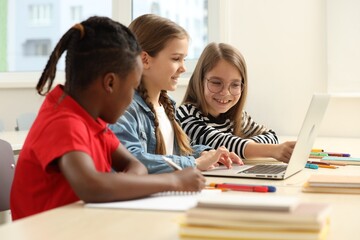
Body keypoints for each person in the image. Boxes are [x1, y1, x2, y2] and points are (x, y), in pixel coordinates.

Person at [10, 16, 206, 221]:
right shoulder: (63, 121)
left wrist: (117, 186)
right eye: (132, 87)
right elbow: (92, 186)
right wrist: (173, 181)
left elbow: (135, 165)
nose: (133, 97)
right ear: (110, 83)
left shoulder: (93, 120)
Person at [109, 14, 242, 174]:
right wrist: (193, 162)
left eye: (184, 59)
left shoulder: (166, 105)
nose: (183, 68)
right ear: (145, 60)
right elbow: (133, 160)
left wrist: (208, 154)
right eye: (176, 59)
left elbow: (174, 152)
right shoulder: (124, 109)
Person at [176, 42, 296, 163]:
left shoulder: (237, 116)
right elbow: (219, 142)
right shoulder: (185, 115)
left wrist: (241, 146)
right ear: (199, 80)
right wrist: (272, 150)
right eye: (216, 82)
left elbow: (271, 136)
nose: (225, 93)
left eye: (235, 85)